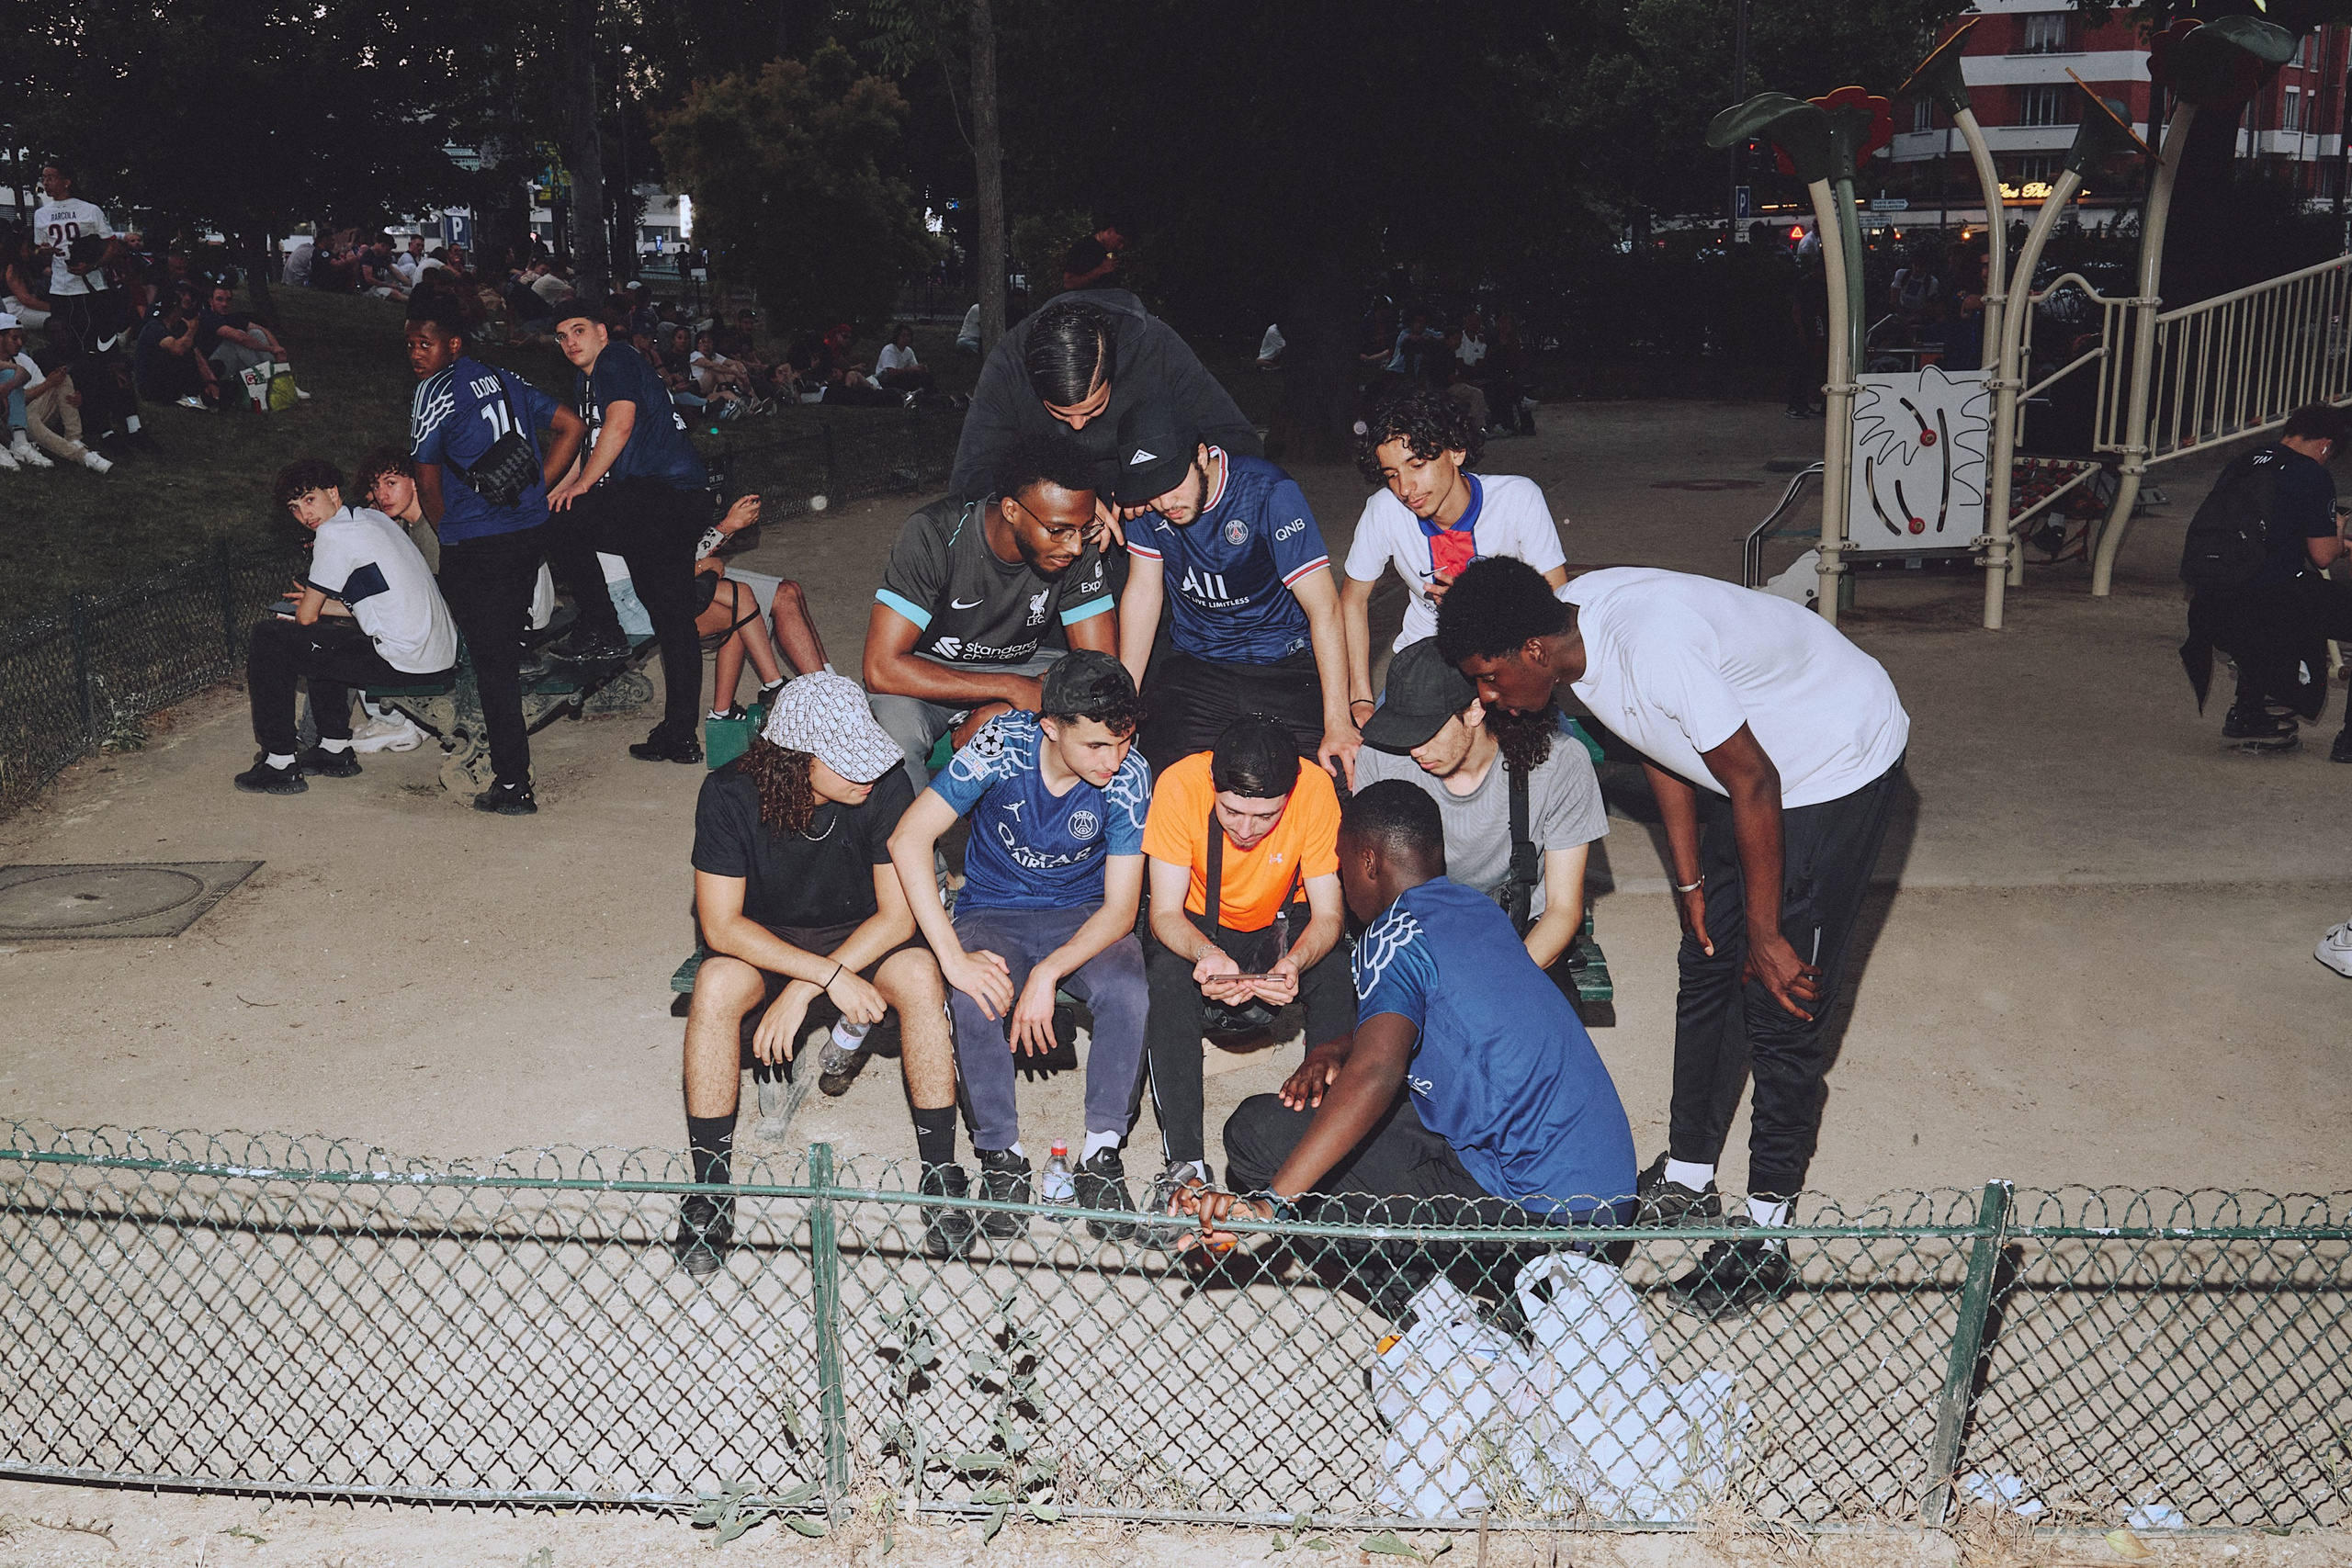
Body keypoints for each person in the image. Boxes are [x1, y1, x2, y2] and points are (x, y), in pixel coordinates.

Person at [1436, 558, 1909, 1315]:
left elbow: (1755, 781)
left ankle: (1765, 1237)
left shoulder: (1651, 648)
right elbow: (1662, 744)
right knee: (1709, 957)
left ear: (1532, 650)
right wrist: (1691, 884)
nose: (1486, 697)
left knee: (1784, 997)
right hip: (1756, 763)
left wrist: (1767, 931)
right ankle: (1689, 1175)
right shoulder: (1572, 639)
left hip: (1832, 754)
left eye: (1489, 678)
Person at [1184, 782, 1636, 1300]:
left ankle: (1440, 1322)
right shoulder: (1478, 909)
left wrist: (1273, 1204)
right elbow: (1448, 1016)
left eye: (1342, 865)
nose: (1341, 879)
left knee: (1257, 1133)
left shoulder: (1391, 936)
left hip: (1539, 1227)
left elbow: (1378, 1073)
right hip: (1609, 1207)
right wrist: (1340, 1046)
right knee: (1373, 1113)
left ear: (1368, 862)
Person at [678, 672, 961, 1275]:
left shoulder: (882, 784)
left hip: (860, 935)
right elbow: (722, 926)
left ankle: (941, 1175)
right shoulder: (727, 794)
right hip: (764, 940)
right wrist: (821, 977)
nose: (868, 772)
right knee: (715, 984)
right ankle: (710, 1190)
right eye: (848, 762)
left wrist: (811, 986)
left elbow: (896, 916)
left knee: (918, 973)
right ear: (795, 760)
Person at [887, 651, 1154, 1244]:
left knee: (1127, 989)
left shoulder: (1130, 776)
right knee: (974, 994)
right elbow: (908, 838)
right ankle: (1001, 1155)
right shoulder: (1002, 745)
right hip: (994, 908)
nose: (1113, 760)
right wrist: (952, 959)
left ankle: (1102, 1153)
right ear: (1051, 727)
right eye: (1096, 746)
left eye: (1123, 742)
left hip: (1083, 914)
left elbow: (1120, 910)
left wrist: (1048, 974)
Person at [1138, 714, 1354, 1213]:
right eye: (1232, 811)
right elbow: (1164, 913)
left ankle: (1320, 1141)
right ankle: (1186, 1165)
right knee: (1164, 979)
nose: (1246, 829)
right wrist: (1206, 955)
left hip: (1281, 918)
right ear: (1213, 784)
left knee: (1335, 970)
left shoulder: (1314, 789)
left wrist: (1294, 963)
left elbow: (1329, 915)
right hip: (1198, 922)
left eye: (1265, 816)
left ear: (1288, 795)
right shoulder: (1180, 784)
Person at [406, 293, 588, 814]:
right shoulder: (503, 377)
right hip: (528, 532)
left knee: (492, 665)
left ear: (453, 344)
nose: (416, 354)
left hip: (476, 540)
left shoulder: (431, 392)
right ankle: (512, 772)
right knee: (503, 650)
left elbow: (426, 477)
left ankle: (512, 784)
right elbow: (572, 426)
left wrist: (449, 534)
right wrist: (536, 492)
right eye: (411, 344)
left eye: (425, 343)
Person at [1111, 402, 1358, 781]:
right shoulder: (1146, 505)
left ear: (1201, 455)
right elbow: (1143, 592)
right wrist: (1122, 706)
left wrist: (1338, 720)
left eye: (1172, 482)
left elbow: (1324, 608)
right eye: (1152, 490)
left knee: (1331, 776)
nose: (1164, 503)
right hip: (1199, 665)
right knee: (1151, 777)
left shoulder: (1268, 490)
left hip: (1283, 666)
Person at [864, 435, 1118, 797]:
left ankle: (1048, 829)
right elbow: (881, 668)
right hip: (931, 671)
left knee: (1104, 712)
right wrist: (1009, 689)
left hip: (1026, 666)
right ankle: (917, 834)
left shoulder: (1074, 544)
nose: (1075, 546)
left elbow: (1101, 668)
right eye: (1058, 530)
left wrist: (1001, 710)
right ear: (1011, 510)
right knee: (893, 732)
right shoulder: (934, 534)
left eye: (1084, 528)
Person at [1353, 640, 1605, 983]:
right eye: (1404, 730)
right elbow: (1376, 898)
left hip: (1520, 936)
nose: (1414, 749)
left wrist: (1498, 985)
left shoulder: (1561, 764)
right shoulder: (1380, 759)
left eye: (1426, 730)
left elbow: (1562, 909)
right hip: (1421, 934)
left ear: (1474, 711)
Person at [538, 300, 713, 763]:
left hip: (661, 495)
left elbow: (620, 423)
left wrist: (580, 487)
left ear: (601, 332)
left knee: (562, 521)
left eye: (578, 330)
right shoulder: (587, 380)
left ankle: (602, 626)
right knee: (671, 617)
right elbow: (588, 446)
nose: (570, 342)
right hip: (657, 501)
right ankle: (680, 734)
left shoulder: (614, 359)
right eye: (561, 336)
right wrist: (554, 490)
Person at [1339, 386, 1567, 720]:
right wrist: (1360, 698)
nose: (1405, 489)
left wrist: (1482, 608)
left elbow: (1558, 599)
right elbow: (1352, 601)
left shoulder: (1517, 498)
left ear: (1457, 451)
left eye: (1417, 465)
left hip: (1506, 658)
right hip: (1426, 658)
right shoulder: (1384, 510)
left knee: (1552, 748)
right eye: (1392, 475)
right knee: (1380, 749)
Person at [234, 458, 458, 795]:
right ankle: (333, 748)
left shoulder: (333, 533)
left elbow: (306, 618)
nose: (305, 514)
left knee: (268, 637)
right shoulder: (371, 518)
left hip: (406, 662)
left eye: (309, 499)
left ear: (333, 492)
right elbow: (375, 600)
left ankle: (278, 761)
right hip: (437, 654)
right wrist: (320, 606)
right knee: (327, 640)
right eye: (295, 508)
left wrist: (308, 607)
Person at [950, 292, 1260, 536]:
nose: (1078, 425)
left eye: (1094, 408)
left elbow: (1240, 442)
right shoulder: (1008, 365)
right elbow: (969, 480)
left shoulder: (1155, 349)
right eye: (1059, 413)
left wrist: (1153, 477)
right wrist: (1054, 499)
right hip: (1049, 525)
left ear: (1114, 371)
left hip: (1148, 523)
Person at [2178, 402, 2352, 759]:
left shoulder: (2243, 462)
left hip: (2212, 604)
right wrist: (2339, 534)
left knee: (2275, 585)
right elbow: (2322, 556)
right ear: (2325, 445)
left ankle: (2250, 711)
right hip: (2267, 607)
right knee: (2293, 592)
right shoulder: (2312, 474)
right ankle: (2349, 742)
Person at [34, 160, 141, 443]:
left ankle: (132, 423)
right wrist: (43, 252)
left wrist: (92, 265)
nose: (46, 182)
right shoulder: (41, 214)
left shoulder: (89, 209)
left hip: (92, 291)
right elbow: (41, 251)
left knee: (107, 353)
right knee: (72, 356)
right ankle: (95, 421)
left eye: (51, 177)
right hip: (61, 291)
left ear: (66, 180)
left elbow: (112, 246)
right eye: (44, 178)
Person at [0, 313, 109, 474]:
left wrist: (67, 395)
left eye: (21, 338)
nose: (20, 343)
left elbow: (34, 392)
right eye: (14, 338)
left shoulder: (23, 360)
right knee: (29, 417)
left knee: (62, 380)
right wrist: (47, 384)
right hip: (11, 423)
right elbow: (19, 400)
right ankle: (82, 456)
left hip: (33, 413)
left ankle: (74, 438)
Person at [196, 281, 306, 400]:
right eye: (219, 299)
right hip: (211, 368)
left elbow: (264, 331)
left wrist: (278, 350)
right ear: (210, 301)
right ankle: (271, 379)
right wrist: (270, 349)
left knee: (256, 333)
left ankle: (281, 379)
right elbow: (239, 338)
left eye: (228, 300)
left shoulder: (231, 317)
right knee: (237, 341)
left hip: (234, 363)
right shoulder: (206, 316)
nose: (224, 304)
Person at [132, 283, 218, 410]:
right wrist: (192, 330)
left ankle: (204, 393)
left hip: (168, 376)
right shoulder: (155, 328)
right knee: (185, 358)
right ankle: (190, 395)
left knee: (216, 366)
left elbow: (197, 356)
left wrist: (211, 381)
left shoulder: (177, 327)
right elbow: (178, 350)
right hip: (153, 385)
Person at [874, 323, 933, 396]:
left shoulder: (909, 351)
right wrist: (910, 369)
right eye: (903, 336)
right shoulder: (889, 350)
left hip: (901, 378)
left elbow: (914, 368)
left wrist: (921, 369)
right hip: (885, 380)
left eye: (908, 336)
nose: (906, 338)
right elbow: (891, 372)